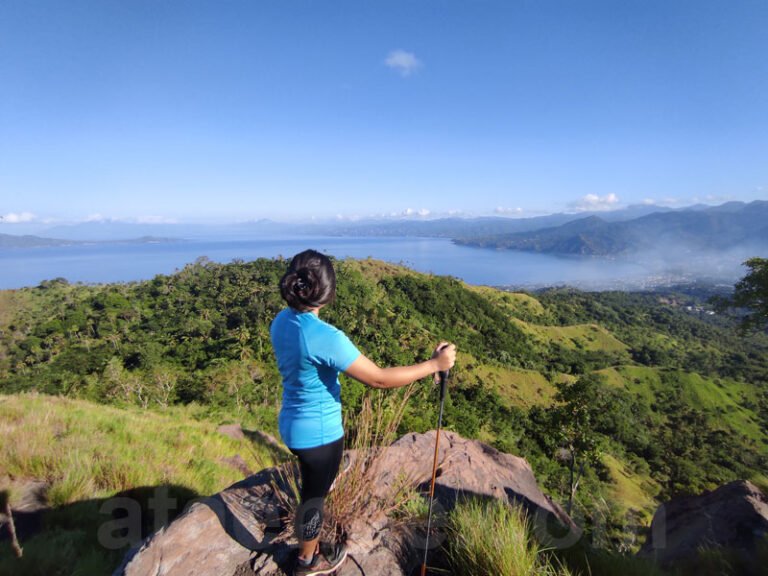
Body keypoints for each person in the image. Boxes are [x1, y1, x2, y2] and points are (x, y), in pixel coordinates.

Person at [270, 249, 456, 576]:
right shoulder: (325, 338)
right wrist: (434, 365)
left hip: (292, 424)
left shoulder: (282, 320)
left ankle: (307, 546)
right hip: (319, 435)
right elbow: (379, 379)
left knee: (314, 489)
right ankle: (307, 561)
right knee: (313, 499)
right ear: (327, 293)